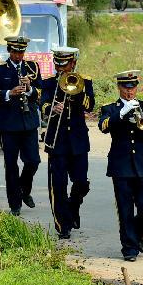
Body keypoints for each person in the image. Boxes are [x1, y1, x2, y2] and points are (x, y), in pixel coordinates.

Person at [99, 70, 143, 261]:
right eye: (126, 88)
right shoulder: (110, 108)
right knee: (125, 209)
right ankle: (129, 248)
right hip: (121, 166)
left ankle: (138, 233)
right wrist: (121, 114)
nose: (129, 92)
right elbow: (103, 127)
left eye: (132, 88)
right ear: (119, 87)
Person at [40, 47, 95, 239]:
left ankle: (73, 207)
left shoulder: (85, 81)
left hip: (78, 140)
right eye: (57, 64)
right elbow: (42, 103)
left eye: (64, 65)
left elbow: (90, 105)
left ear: (73, 63)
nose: (60, 68)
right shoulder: (49, 82)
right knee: (58, 185)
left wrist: (77, 89)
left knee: (81, 182)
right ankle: (63, 225)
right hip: (57, 140)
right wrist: (52, 108)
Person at [0, 36, 42, 215]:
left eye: (21, 52)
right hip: (9, 124)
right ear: (9, 51)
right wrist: (8, 93)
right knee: (11, 164)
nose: (18, 55)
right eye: (15, 52)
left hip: (29, 123)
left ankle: (24, 190)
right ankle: (15, 204)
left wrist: (30, 88)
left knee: (33, 161)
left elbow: (40, 92)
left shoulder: (32, 68)